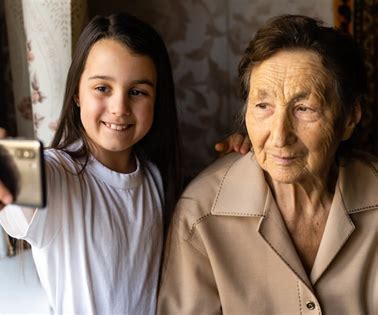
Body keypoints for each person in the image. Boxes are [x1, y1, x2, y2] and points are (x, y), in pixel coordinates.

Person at [0, 13, 247, 314]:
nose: (119, 107)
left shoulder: (155, 175)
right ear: (78, 92)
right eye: (102, 88)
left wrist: (229, 163)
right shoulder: (55, 176)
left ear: (157, 100)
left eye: (137, 91)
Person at [157, 15, 377, 314]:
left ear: (349, 118)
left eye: (304, 108)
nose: (280, 135)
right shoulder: (202, 213)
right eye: (263, 106)